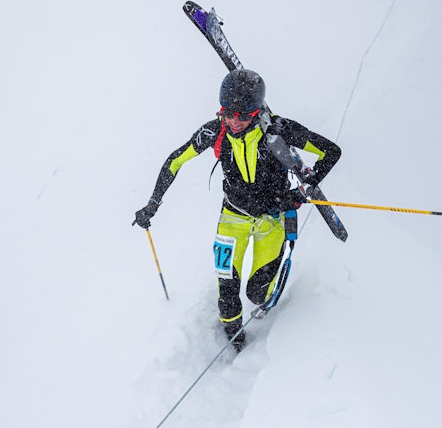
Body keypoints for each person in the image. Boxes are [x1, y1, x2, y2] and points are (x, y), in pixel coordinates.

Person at [132, 69, 341, 352]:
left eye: (243, 116)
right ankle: (235, 344)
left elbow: (331, 151)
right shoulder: (215, 131)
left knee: (258, 293)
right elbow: (175, 161)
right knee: (227, 294)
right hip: (233, 218)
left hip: (272, 221)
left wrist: (304, 189)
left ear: (256, 112)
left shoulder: (279, 131)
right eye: (228, 113)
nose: (234, 122)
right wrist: (152, 204)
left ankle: (274, 294)